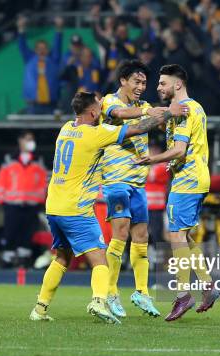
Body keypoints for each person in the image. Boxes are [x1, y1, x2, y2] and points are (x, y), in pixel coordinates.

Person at [29, 91, 183, 324]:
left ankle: (39, 309)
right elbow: (138, 129)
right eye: (99, 107)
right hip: (76, 208)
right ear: (92, 112)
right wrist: (168, 112)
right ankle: (99, 300)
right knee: (100, 259)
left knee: (61, 258)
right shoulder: (96, 134)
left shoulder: (66, 129)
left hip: (54, 205)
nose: (103, 109)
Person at [136, 64, 220, 322]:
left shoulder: (184, 111)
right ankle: (208, 285)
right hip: (193, 177)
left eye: (162, 83)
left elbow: (179, 150)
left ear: (178, 84)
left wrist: (151, 160)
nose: (158, 87)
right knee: (183, 236)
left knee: (175, 236)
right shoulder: (194, 108)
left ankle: (183, 294)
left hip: (188, 179)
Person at [99, 59, 173, 318]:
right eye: (136, 81)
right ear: (123, 81)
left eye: (144, 82)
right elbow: (120, 117)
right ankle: (110, 294)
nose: (141, 86)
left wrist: (168, 113)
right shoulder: (110, 101)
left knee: (141, 238)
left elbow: (153, 123)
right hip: (116, 181)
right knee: (119, 234)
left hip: (138, 182)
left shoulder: (145, 107)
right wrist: (151, 114)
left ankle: (142, 292)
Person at [0, 132, 47, 267]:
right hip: (12, 203)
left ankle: (24, 259)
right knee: (10, 231)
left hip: (32, 204)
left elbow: (43, 182)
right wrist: (2, 199)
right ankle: (8, 258)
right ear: (20, 140)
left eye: (32, 139)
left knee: (28, 233)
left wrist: (40, 199)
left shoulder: (38, 160)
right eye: (28, 139)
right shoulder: (9, 159)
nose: (31, 142)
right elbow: (1, 181)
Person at [17, 15, 63, 114]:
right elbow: (22, 45)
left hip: (51, 104)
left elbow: (58, 45)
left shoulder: (53, 60)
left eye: (44, 48)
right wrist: (21, 28)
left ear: (48, 50)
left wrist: (59, 28)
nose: (42, 50)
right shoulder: (30, 59)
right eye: (39, 48)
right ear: (35, 50)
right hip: (33, 104)